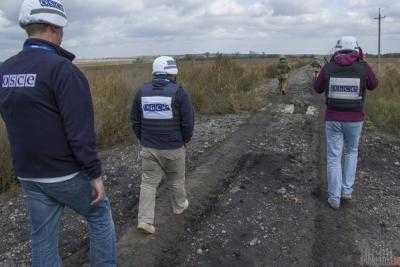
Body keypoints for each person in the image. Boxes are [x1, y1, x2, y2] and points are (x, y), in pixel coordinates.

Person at [0, 0, 117, 266]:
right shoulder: (64, 70)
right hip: (63, 172)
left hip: (28, 173)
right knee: (100, 216)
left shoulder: (5, 70)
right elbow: (80, 133)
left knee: (42, 237)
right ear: (54, 27)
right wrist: (95, 174)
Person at [131, 56, 195, 234]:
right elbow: (188, 122)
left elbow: (135, 121)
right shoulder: (179, 92)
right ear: (171, 74)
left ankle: (145, 220)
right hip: (174, 148)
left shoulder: (141, 92)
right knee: (176, 179)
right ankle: (179, 207)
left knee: (148, 184)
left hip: (149, 148)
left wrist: (143, 139)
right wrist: (185, 139)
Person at [314, 36, 378, 210]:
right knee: (351, 153)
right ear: (356, 49)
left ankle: (334, 198)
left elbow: (317, 88)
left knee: (334, 157)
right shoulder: (363, 67)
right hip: (355, 119)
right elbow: (373, 85)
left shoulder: (328, 67)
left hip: (333, 118)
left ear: (337, 49)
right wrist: (363, 63)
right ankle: (346, 192)